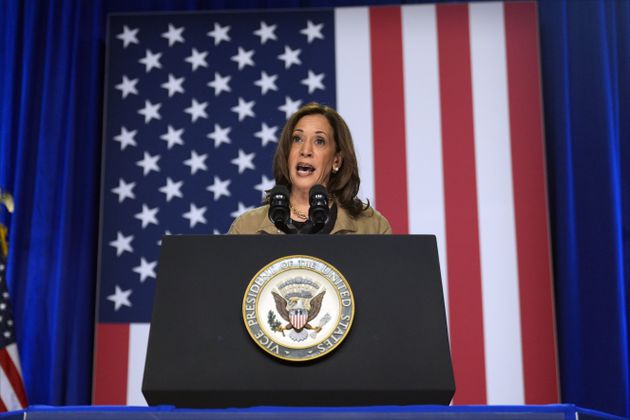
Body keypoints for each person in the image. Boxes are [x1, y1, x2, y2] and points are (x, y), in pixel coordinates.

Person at [228, 102, 391, 235]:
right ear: (287, 153)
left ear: (336, 160)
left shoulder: (372, 227)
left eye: (319, 141)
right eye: (297, 139)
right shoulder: (246, 228)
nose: (305, 151)